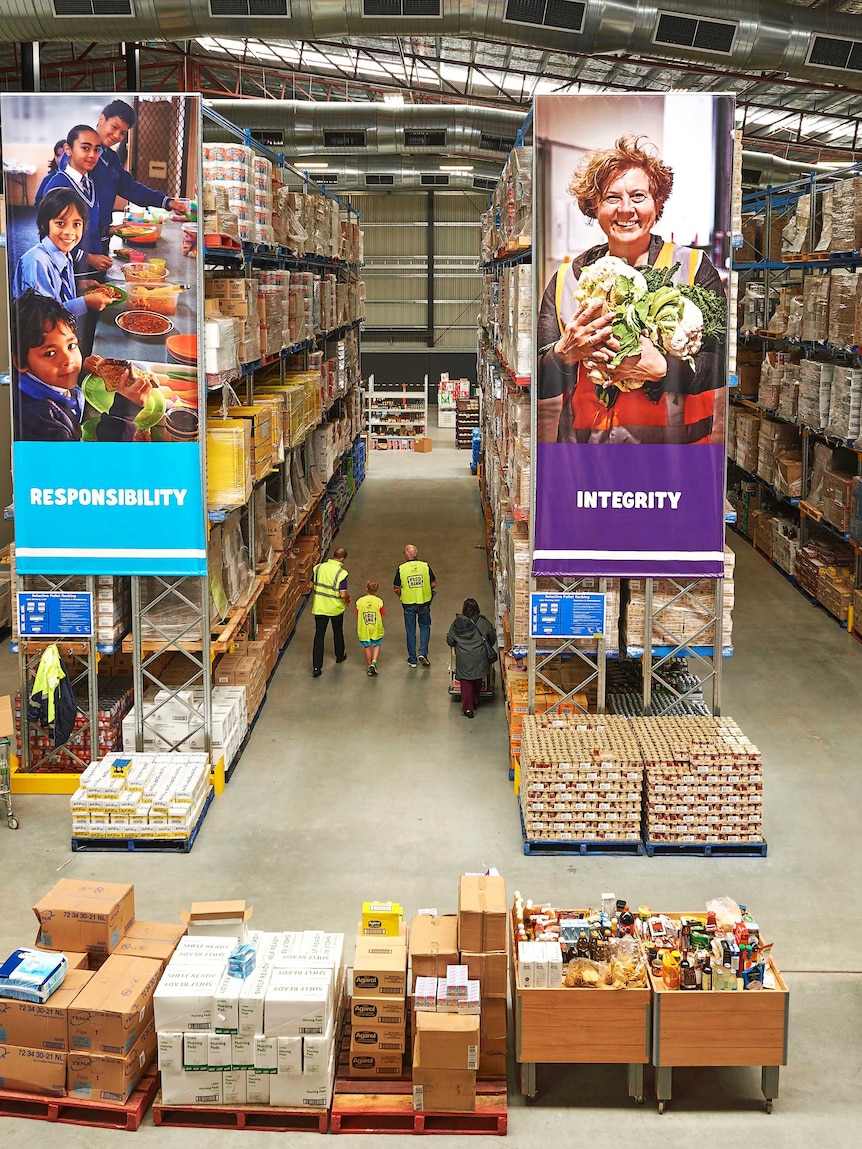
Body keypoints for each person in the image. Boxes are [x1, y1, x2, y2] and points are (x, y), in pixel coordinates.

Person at [537, 134, 725, 446]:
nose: (626, 210)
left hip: (674, 461)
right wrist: (564, 354)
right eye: (612, 198)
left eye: (639, 196)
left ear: (657, 202)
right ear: (594, 206)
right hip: (588, 460)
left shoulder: (692, 268)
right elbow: (542, 382)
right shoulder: (567, 279)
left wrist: (665, 369)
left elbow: (718, 365)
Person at [86, 99, 186, 254]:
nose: (117, 136)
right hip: (79, 242)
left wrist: (167, 202)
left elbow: (130, 188)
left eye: (123, 133)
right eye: (114, 127)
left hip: (102, 239)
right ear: (101, 119)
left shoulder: (110, 157)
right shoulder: (79, 153)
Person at [12, 188, 114, 316]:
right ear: (45, 224)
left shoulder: (64, 253)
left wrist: (77, 285)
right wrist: (85, 303)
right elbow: (44, 317)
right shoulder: (37, 262)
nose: (69, 232)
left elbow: (56, 292)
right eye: (60, 223)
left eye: (76, 224)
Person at [10, 292, 84, 442]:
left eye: (71, 346)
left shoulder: (52, 377)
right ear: (20, 363)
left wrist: (85, 371)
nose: (68, 360)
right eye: (50, 353)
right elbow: (75, 463)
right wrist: (122, 414)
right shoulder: (39, 419)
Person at [40, 125, 111, 275]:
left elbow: (90, 225)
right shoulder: (57, 185)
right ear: (68, 149)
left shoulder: (90, 183)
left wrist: (112, 229)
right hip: (70, 273)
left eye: (97, 149)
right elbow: (49, 238)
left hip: (92, 269)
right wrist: (88, 258)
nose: (92, 155)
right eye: (85, 148)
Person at [446, 599, 496, 719]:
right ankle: (475, 700)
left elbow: (450, 640)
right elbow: (492, 638)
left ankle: (468, 708)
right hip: (480, 657)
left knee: (466, 682)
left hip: (463, 658)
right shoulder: (484, 623)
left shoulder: (456, 624)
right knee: (477, 678)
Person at [393, 544, 436, 669]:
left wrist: (402, 594)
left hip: (408, 604)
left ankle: (412, 659)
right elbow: (434, 583)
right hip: (424, 602)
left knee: (410, 631)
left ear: (406, 555)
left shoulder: (401, 569)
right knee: (425, 627)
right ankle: (423, 653)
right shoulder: (425, 566)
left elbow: (396, 588)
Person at [311, 546, 350, 677]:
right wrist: (348, 599)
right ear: (342, 559)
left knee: (319, 636)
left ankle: (316, 667)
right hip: (335, 609)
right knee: (338, 631)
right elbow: (343, 594)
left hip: (320, 607)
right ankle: (339, 656)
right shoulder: (341, 573)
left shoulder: (318, 568)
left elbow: (310, 585)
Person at [355, 580, 385, 677]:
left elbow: (357, 613)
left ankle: (369, 666)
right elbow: (382, 613)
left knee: (367, 646)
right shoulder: (379, 601)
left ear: (366, 589)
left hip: (364, 628)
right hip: (376, 627)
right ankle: (374, 662)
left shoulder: (360, 601)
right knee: (377, 644)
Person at [34, 140, 66, 205]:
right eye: (58, 155)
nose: (60, 159)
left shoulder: (80, 179)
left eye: (63, 155)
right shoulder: (48, 179)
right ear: (54, 157)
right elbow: (38, 202)